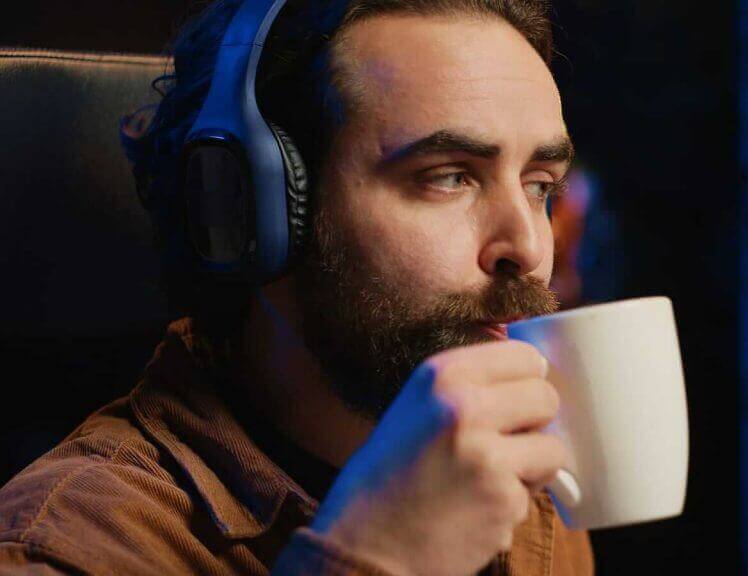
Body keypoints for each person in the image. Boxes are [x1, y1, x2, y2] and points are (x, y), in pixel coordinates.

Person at [0, 0, 593, 574]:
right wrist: (377, 558)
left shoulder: (530, 479)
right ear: (254, 211)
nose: (530, 249)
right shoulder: (68, 547)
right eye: (449, 177)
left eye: (541, 185)